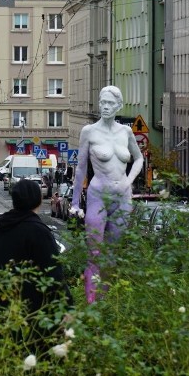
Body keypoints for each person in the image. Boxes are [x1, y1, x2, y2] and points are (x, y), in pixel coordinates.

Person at [70, 85, 144, 303]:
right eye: (102, 102)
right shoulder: (89, 131)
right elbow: (81, 167)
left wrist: (129, 182)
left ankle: (108, 302)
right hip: (98, 194)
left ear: (119, 106)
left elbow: (138, 158)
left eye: (110, 103)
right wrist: (75, 202)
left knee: (113, 254)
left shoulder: (126, 132)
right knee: (95, 251)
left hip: (122, 197)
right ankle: (92, 304)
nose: (105, 107)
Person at [0, 179, 72, 354]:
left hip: (3, 313)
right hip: (35, 317)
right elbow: (54, 273)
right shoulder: (39, 231)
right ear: (38, 200)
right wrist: (67, 306)